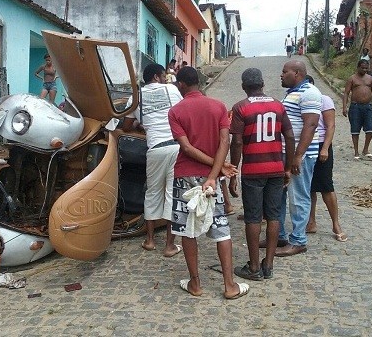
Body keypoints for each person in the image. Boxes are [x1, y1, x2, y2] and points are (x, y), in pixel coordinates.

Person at [168, 66, 248, 299]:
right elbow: (225, 141)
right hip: (211, 178)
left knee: (187, 229)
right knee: (221, 228)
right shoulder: (219, 107)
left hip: (185, 176)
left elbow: (186, 147)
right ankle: (229, 285)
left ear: (181, 84)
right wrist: (216, 172)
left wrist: (217, 168)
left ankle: (195, 284)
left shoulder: (175, 111)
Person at [229, 68, 295, 280]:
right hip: (276, 168)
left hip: (253, 171)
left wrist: (233, 171)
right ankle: (269, 265)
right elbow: (290, 135)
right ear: (263, 84)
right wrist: (288, 166)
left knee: (253, 217)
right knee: (274, 215)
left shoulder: (240, 108)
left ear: (243, 87)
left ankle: (254, 267)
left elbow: (237, 141)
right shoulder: (278, 105)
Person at [122, 63, 183, 257]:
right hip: (174, 146)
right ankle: (169, 245)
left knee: (152, 193)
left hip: (154, 148)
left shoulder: (136, 97)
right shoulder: (172, 90)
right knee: (172, 194)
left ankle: (149, 241)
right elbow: (183, 115)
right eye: (163, 75)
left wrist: (142, 124)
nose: (166, 78)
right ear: (156, 76)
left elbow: (125, 126)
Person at [273, 60, 322, 257]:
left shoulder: (309, 92)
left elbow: (310, 126)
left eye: (285, 72)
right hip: (286, 153)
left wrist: (298, 156)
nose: (281, 75)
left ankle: (299, 240)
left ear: (297, 73)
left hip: (300, 155)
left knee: (299, 196)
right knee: (280, 195)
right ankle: (280, 236)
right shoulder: (293, 93)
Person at [303, 75, 347, 242]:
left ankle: (336, 224)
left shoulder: (324, 100)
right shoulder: (300, 101)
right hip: (305, 145)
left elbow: (330, 126)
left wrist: (325, 148)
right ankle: (311, 221)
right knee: (309, 187)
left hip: (321, 144)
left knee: (326, 186)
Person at [343, 59, 372, 160]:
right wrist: (344, 106)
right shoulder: (352, 79)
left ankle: (365, 149)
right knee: (355, 130)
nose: (365, 70)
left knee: (370, 129)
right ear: (358, 67)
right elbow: (346, 93)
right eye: (362, 68)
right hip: (355, 107)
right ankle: (356, 152)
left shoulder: (370, 78)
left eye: (366, 68)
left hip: (368, 106)